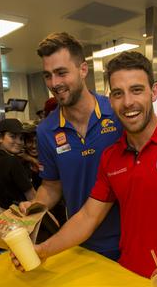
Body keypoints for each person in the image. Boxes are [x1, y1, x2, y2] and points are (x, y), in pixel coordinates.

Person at [13, 51, 157, 287]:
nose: (128, 102)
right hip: (127, 280)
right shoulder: (112, 156)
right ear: (110, 100)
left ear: (153, 92)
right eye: (118, 93)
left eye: (136, 90)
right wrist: (42, 250)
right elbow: (88, 216)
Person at [23, 33, 122, 260]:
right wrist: (34, 209)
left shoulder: (117, 114)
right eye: (48, 76)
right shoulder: (46, 130)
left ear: (83, 70)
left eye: (61, 73)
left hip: (128, 242)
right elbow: (51, 186)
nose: (54, 83)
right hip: (79, 244)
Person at [0, 118, 35, 209]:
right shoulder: (13, 161)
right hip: (21, 213)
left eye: (21, 138)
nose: (19, 142)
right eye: (13, 136)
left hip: (5, 212)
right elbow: (32, 197)